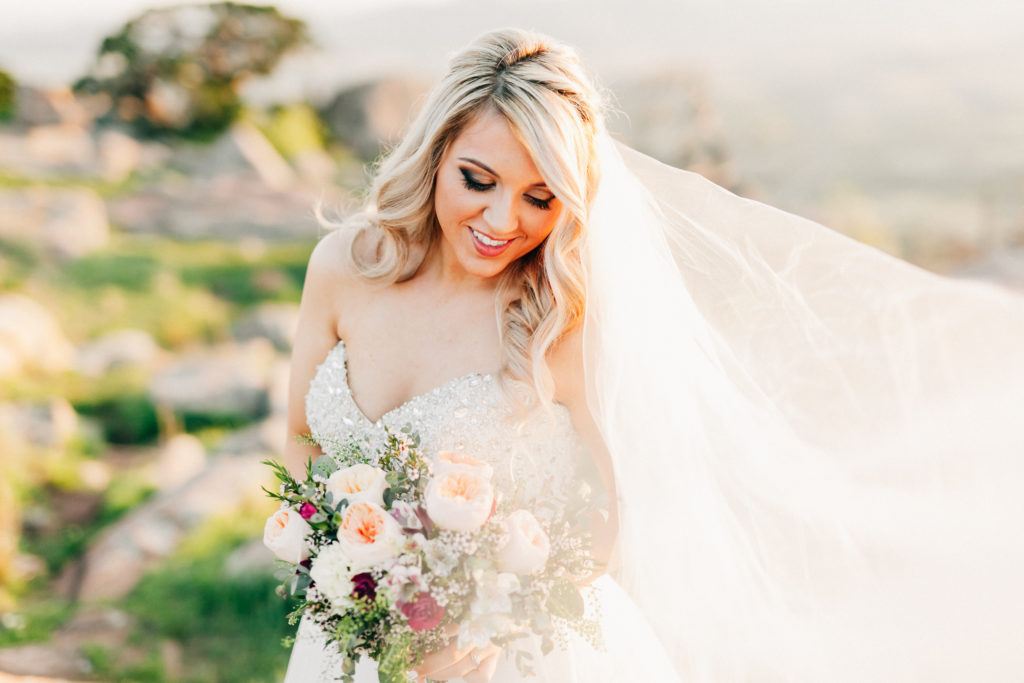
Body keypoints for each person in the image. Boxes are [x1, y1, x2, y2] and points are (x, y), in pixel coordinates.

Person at [282, 28, 1024, 683]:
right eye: (479, 180)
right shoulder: (345, 265)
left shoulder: (560, 320)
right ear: (436, 150)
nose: (502, 220)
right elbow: (301, 439)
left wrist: (491, 623)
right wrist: (341, 573)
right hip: (348, 636)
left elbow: (618, 508)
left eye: (541, 198)